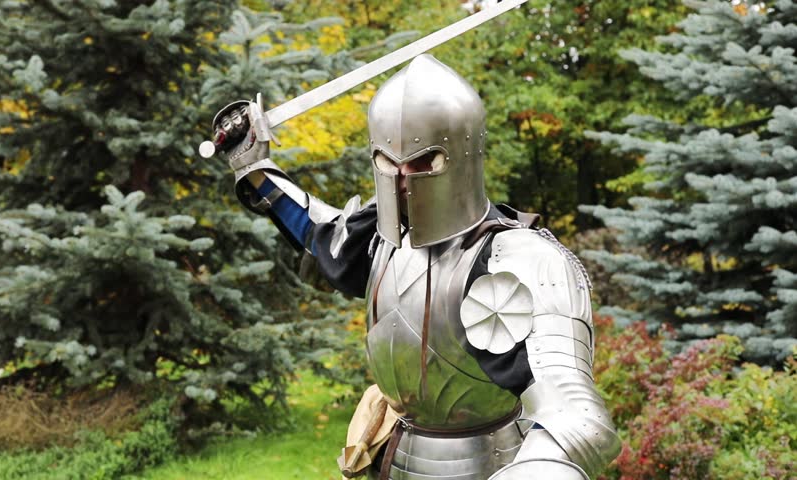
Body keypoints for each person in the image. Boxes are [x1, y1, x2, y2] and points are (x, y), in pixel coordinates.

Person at [215, 54, 620, 480]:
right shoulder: (380, 237)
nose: (403, 180)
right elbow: (323, 236)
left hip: (495, 465)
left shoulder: (519, 258)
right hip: (397, 457)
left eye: (424, 163)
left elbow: (576, 417)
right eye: (389, 164)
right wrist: (254, 168)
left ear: (463, 155)